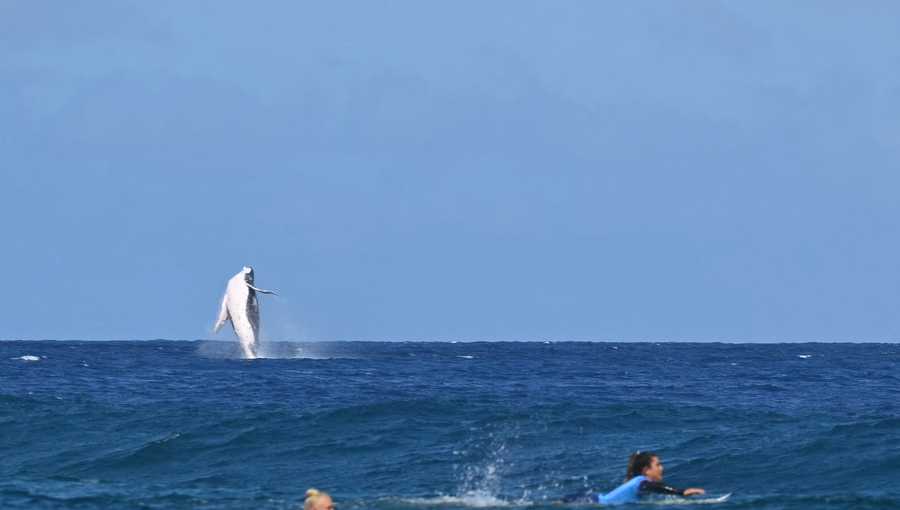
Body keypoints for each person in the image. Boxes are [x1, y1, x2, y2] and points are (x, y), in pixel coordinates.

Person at [563, 451, 705, 505]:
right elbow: (654, 487)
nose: (662, 468)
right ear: (646, 470)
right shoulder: (641, 482)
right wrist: (681, 492)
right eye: (658, 464)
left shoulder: (636, 481)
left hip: (590, 498)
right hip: (588, 501)